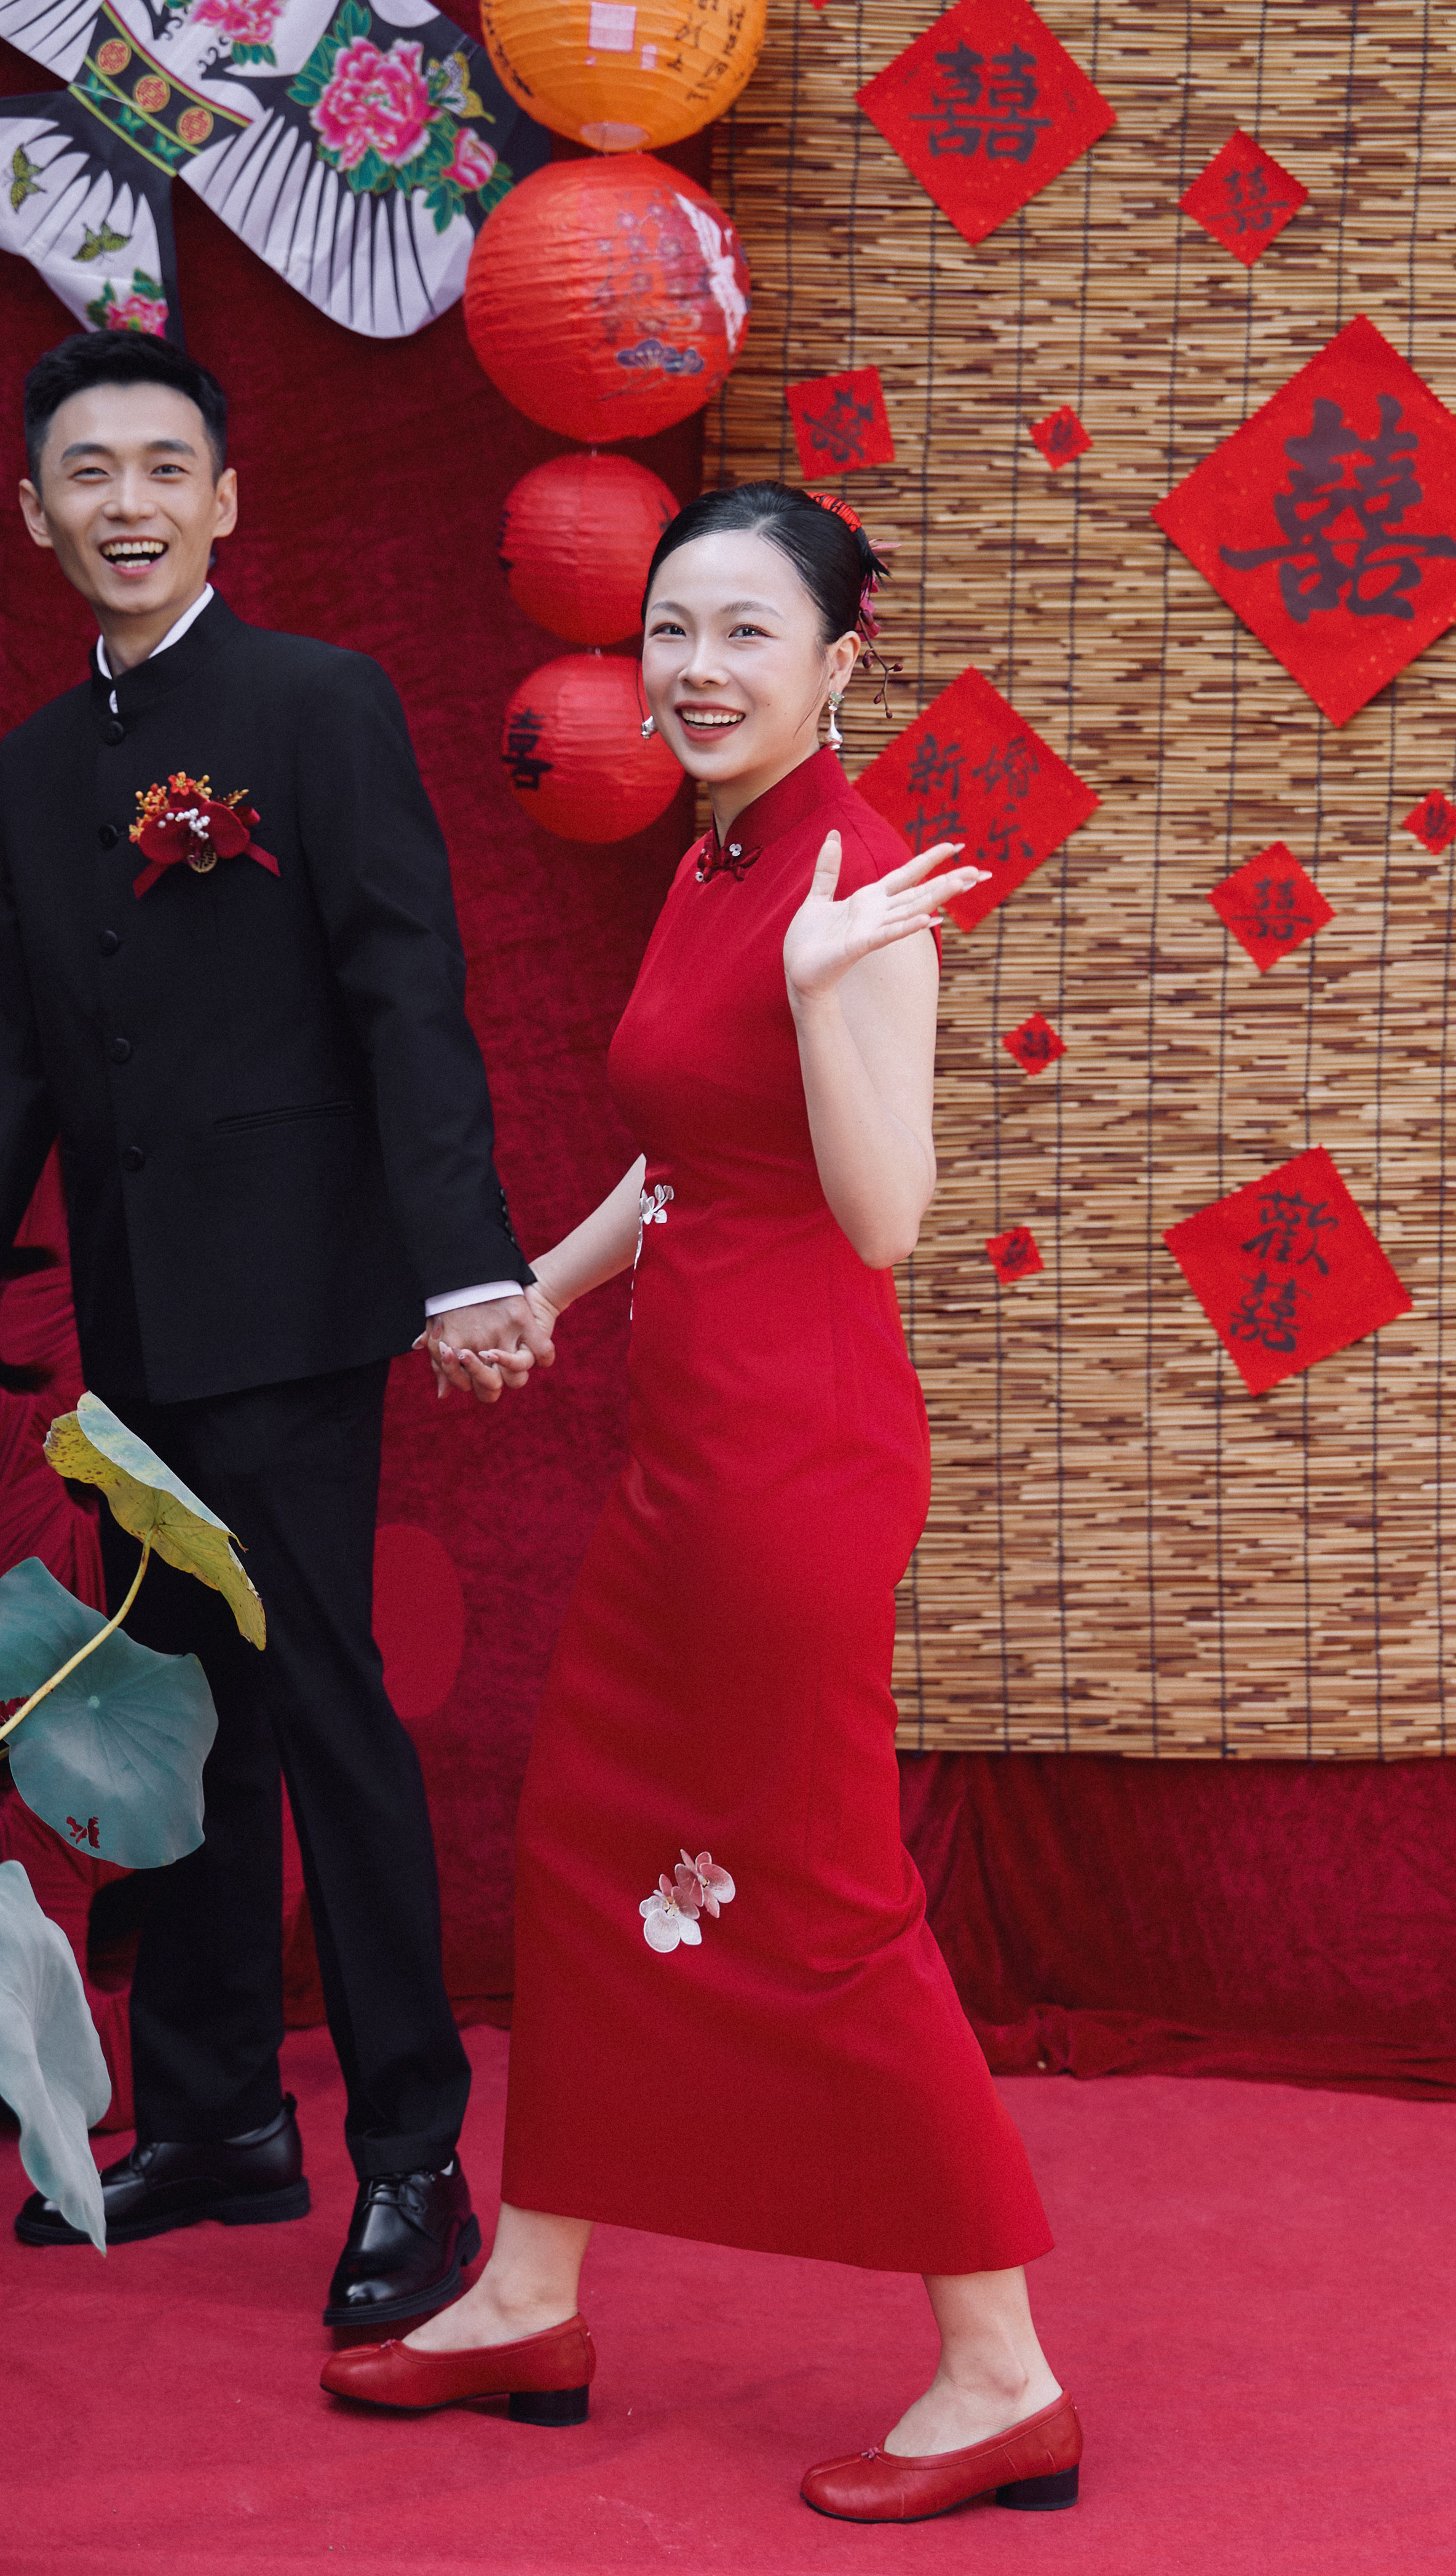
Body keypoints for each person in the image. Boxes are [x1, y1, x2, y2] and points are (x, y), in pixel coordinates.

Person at [320, 483, 1082, 2524]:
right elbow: (683, 1159)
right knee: (587, 1842)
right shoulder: (719, 847)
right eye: (672, 628)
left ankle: (1003, 2375)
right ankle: (528, 2296)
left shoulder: (858, 885)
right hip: (691, 1447)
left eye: (749, 632)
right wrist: (532, 1294)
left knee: (820, 1893)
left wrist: (831, 988)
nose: (696, 668)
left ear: (840, 664)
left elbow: (884, 1217)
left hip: (790, 1461)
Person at [0, 328, 552, 2331]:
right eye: (89, 472)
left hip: (296, 1304)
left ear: (225, 501)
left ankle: (414, 2162)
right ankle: (213, 2116)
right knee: (173, 1711)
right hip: (139, 1321)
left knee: (326, 1707)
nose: (130, 503)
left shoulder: (315, 704)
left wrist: (463, 1264)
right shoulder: (36, 764)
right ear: (35, 512)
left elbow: (408, 991)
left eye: (165, 468)